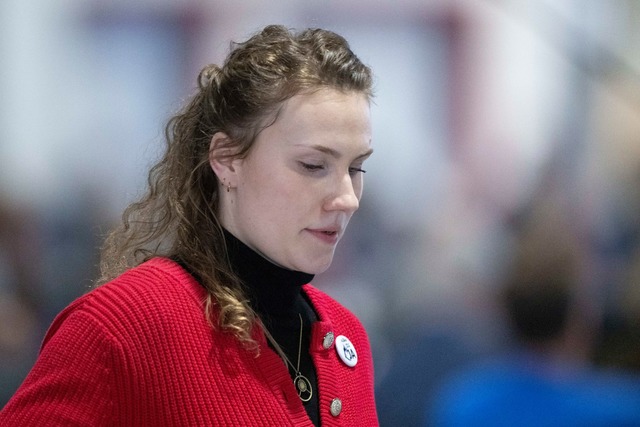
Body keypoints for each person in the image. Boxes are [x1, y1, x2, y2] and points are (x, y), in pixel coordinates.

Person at [0, 24, 378, 426]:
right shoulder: (125, 326)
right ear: (228, 159)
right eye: (313, 166)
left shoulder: (345, 336)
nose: (347, 198)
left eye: (355, 168)